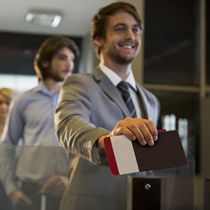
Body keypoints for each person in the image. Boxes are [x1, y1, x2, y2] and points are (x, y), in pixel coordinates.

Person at [55, 2, 160, 210]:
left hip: (138, 202)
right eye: (120, 29)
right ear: (99, 39)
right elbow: (68, 125)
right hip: (90, 204)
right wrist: (108, 140)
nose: (131, 36)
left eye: (135, 29)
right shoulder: (79, 83)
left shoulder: (151, 100)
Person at [0, 36, 80, 210]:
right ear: (45, 62)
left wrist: (70, 178)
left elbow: (85, 148)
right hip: (30, 196)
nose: (69, 64)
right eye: (62, 58)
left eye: (72, 59)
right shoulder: (23, 101)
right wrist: (11, 190)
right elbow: (7, 146)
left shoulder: (78, 102)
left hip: (69, 192)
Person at [0, 88, 16, 210]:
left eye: (8, 103)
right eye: (0, 103)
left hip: (16, 186)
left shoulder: (21, 132)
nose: (3, 107)